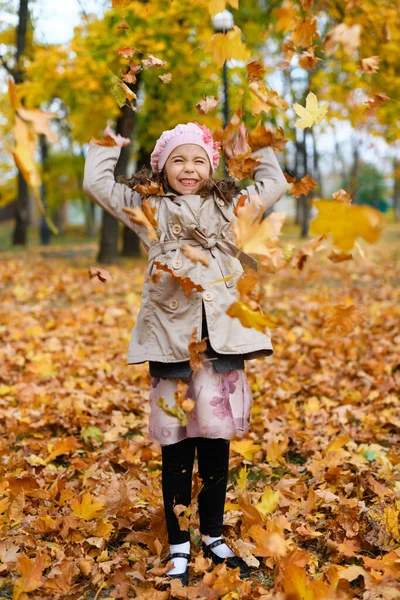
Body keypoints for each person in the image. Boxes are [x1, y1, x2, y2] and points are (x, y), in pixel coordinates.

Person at [83, 121, 288, 585]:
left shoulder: (228, 205)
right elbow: (97, 183)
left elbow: (273, 184)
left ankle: (213, 538)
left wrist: (255, 149)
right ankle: (179, 547)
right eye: (178, 159)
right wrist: (106, 141)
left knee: (216, 446)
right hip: (172, 344)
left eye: (198, 159)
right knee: (177, 448)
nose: (189, 168)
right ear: (162, 166)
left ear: (211, 165)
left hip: (221, 344)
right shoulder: (149, 208)